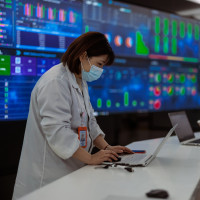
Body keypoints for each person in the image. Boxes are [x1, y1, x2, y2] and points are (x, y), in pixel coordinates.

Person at [12, 32, 133, 200]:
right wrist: (90, 158)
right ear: (83, 55)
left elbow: (90, 122)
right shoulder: (55, 81)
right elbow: (58, 132)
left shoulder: (79, 79)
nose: (101, 70)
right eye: (99, 64)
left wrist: (106, 148)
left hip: (70, 172)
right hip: (47, 179)